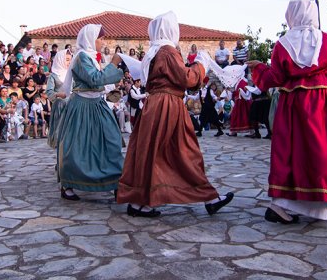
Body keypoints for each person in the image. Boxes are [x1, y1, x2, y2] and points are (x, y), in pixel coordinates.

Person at [117, 11, 234, 217]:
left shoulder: (154, 52)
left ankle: (140, 203)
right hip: (168, 106)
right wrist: (200, 64)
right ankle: (208, 198)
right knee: (185, 151)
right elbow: (186, 78)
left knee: (152, 152)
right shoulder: (167, 51)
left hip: (156, 105)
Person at [249, 0, 327, 223]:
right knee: (323, 148)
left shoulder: (283, 44)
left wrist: (259, 69)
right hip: (321, 103)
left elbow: (274, 78)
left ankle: (282, 203)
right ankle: (323, 202)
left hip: (292, 104)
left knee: (290, 150)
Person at [56, 24, 125, 201]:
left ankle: (115, 180)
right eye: (100, 38)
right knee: (78, 145)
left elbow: (100, 81)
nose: (103, 42)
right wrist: (114, 64)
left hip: (97, 104)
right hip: (82, 106)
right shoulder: (81, 58)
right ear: (90, 39)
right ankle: (69, 183)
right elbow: (95, 80)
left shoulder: (91, 58)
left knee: (111, 140)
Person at [46, 49, 71, 148]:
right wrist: (58, 94)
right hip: (60, 104)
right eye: (67, 59)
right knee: (60, 103)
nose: (69, 62)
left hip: (72, 102)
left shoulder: (72, 73)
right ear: (60, 60)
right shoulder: (53, 76)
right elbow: (49, 91)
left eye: (70, 59)